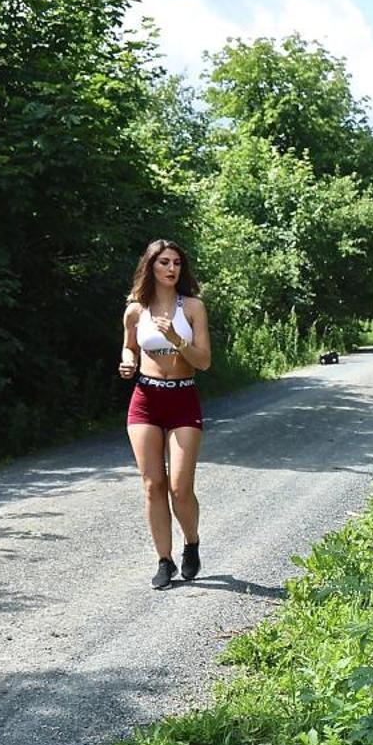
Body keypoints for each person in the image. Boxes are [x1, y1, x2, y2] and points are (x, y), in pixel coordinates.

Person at [119, 239, 211, 589]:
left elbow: (203, 362)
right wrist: (128, 363)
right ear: (151, 267)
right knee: (153, 485)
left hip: (183, 398)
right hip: (145, 399)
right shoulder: (135, 310)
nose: (172, 269)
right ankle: (164, 560)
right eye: (164, 263)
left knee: (179, 486)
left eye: (176, 263)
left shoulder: (193, 308)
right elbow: (129, 347)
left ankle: (191, 543)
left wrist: (176, 338)